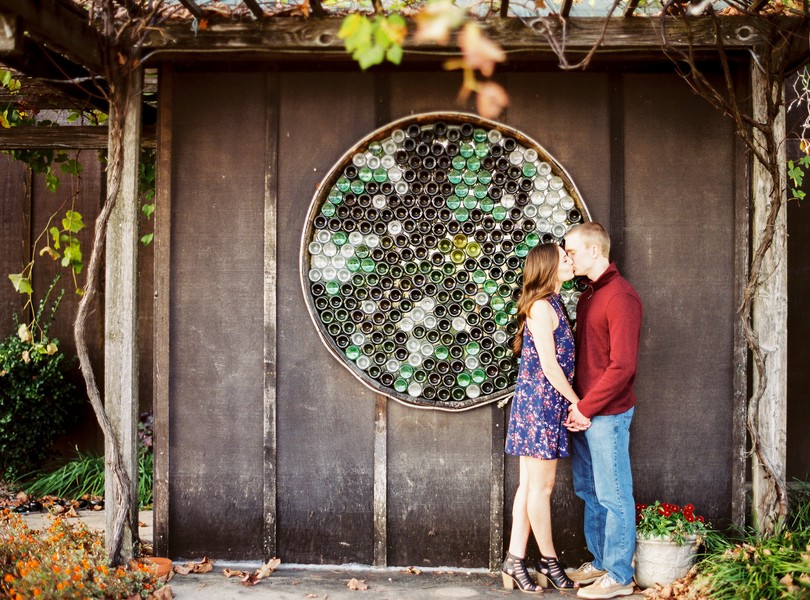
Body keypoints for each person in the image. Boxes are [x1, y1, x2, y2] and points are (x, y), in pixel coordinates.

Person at [562, 223, 643, 600]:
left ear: (595, 251)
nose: (567, 257)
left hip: (606, 414)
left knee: (613, 494)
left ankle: (620, 574)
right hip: (584, 412)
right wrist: (578, 407)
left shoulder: (621, 297)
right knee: (589, 491)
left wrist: (587, 407)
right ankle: (599, 561)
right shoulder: (589, 296)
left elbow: (623, 367)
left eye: (572, 251)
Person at [502, 242, 585, 594]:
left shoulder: (553, 302)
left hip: (542, 406)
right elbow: (550, 366)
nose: (570, 261)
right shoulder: (539, 307)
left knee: (530, 488)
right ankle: (550, 562)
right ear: (549, 267)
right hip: (539, 407)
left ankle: (514, 559)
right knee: (541, 489)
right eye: (565, 258)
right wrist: (578, 402)